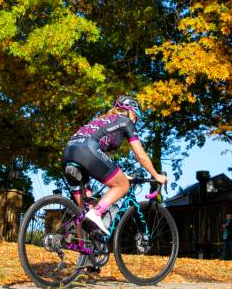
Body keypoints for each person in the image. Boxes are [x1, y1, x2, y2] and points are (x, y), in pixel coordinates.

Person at [62, 95, 167, 235]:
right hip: (88, 150)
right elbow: (140, 155)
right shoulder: (125, 122)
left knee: (85, 211)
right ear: (131, 112)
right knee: (123, 186)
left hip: (68, 152)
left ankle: (83, 250)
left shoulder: (100, 121)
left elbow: (104, 158)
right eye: (136, 116)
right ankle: (97, 213)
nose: (135, 121)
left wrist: (121, 175)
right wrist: (156, 175)